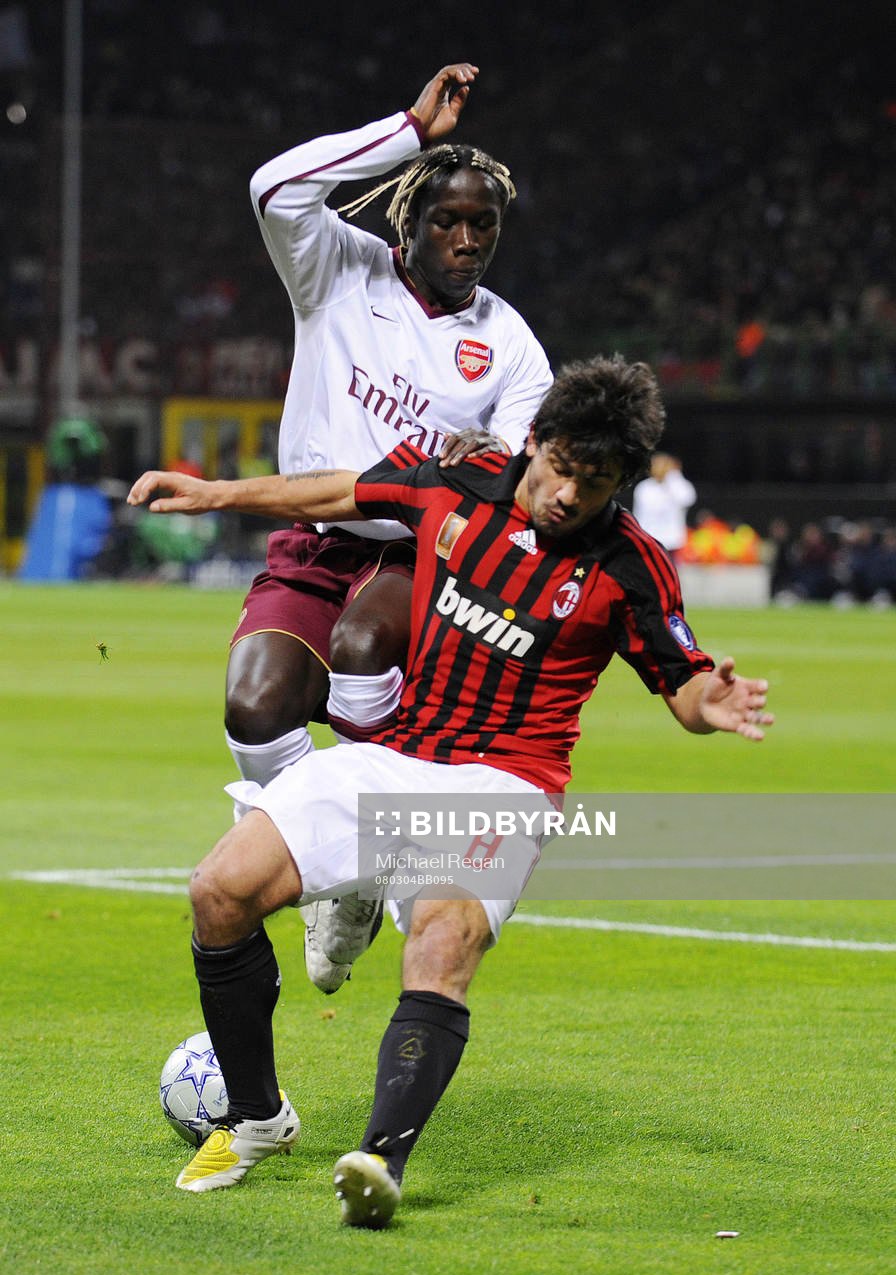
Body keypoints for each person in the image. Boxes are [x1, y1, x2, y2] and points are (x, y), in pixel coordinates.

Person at [128, 355, 773, 1229]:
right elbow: (332, 493)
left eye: (597, 483)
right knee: (219, 891)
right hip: (393, 753)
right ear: (536, 443)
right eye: (562, 470)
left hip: (503, 783)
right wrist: (211, 495)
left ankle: (379, 1163)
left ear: (621, 484)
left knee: (441, 938)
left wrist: (713, 703)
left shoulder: (629, 565)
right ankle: (258, 1118)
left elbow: (683, 680)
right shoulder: (454, 478)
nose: (569, 497)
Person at [228, 62, 553, 992]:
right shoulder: (335, 269)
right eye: (445, 220)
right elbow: (275, 187)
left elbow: (519, 474)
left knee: (368, 644)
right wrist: (409, 129)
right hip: (311, 532)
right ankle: (354, 875)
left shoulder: (512, 342)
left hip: (418, 549)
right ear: (401, 221)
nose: (464, 240)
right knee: (254, 707)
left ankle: (354, 855)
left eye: (482, 225)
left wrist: (468, 482)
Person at [631, 452, 696, 560]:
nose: (659, 468)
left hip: (671, 541)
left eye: (663, 465)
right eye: (656, 465)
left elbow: (688, 499)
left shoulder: (677, 485)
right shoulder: (644, 488)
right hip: (649, 539)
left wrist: (674, 477)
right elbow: (638, 514)